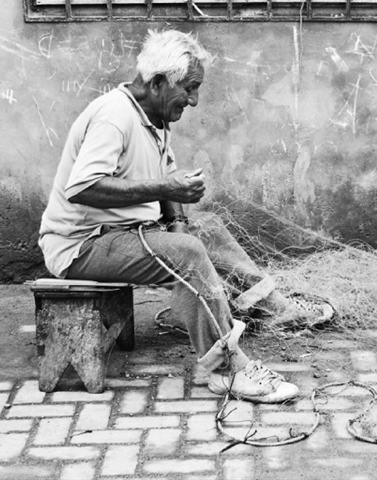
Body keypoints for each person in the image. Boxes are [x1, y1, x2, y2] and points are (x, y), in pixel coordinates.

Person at [38, 29, 333, 403]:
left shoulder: (154, 117)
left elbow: (166, 178)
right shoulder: (114, 117)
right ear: (158, 83)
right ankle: (227, 370)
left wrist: (177, 220)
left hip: (122, 232)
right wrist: (167, 191)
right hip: (82, 247)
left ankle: (275, 308)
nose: (193, 100)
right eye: (189, 88)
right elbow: (83, 187)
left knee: (207, 230)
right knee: (188, 254)